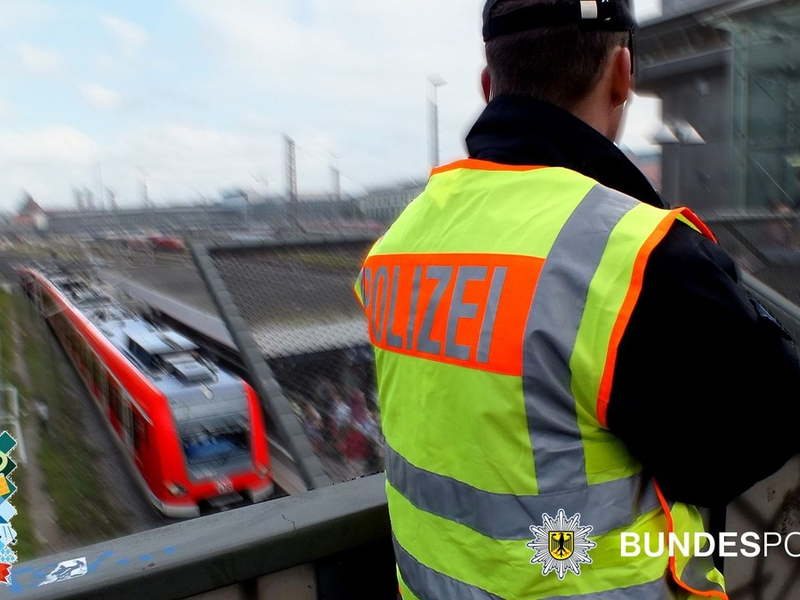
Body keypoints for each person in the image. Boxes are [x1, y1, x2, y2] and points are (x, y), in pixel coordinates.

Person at [355, 1, 800, 598]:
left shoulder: (397, 246)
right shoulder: (638, 255)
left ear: (490, 86)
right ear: (622, 73)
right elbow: (752, 434)